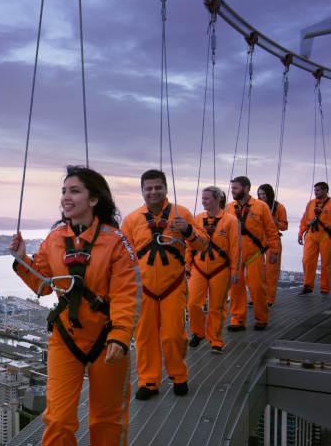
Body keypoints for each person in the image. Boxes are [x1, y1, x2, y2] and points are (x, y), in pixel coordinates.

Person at [10, 165, 140, 446]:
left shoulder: (116, 243)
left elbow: (128, 295)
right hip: (66, 340)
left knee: (105, 417)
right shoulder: (54, 241)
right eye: (64, 191)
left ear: (94, 199)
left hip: (106, 341)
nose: (66, 197)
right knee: (58, 419)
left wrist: (119, 337)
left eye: (75, 191)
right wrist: (21, 260)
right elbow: (43, 286)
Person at [120, 169, 205, 400]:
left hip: (173, 286)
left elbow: (203, 245)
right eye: (149, 188)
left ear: (166, 189)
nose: (154, 192)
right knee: (145, 337)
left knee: (173, 336)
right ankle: (149, 381)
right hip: (143, 289)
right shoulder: (131, 220)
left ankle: (178, 375)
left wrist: (187, 230)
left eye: (158, 187)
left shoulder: (182, 214)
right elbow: (123, 255)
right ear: (142, 191)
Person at [186, 186, 240, 353]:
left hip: (220, 268)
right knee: (193, 303)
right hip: (198, 267)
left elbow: (235, 248)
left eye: (207, 198)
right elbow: (189, 245)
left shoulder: (230, 221)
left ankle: (215, 340)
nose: (203, 201)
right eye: (202, 198)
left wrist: (235, 271)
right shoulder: (197, 219)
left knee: (216, 306)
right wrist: (187, 265)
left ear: (218, 199)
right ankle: (198, 332)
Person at [226, 176, 280, 330]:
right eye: (232, 188)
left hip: (254, 253)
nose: (232, 191)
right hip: (235, 255)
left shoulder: (261, 207)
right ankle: (238, 320)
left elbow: (271, 230)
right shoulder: (229, 208)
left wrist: (274, 250)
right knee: (235, 289)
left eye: (235, 188)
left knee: (257, 287)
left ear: (246, 188)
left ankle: (261, 318)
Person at [298, 181, 331, 296]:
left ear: (325, 190)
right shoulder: (310, 204)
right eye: (315, 190)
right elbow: (305, 219)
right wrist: (300, 233)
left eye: (318, 190)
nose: (315, 192)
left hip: (325, 236)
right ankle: (307, 286)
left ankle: (325, 288)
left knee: (326, 263)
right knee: (307, 261)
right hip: (311, 235)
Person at [257, 184, 288, 306]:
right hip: (258, 240)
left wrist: (275, 222)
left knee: (271, 271)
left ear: (269, 194)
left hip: (273, 239)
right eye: (259, 194)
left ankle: (269, 298)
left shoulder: (279, 207)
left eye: (264, 194)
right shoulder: (257, 207)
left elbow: (285, 226)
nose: (261, 196)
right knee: (257, 271)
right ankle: (257, 297)